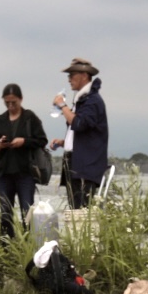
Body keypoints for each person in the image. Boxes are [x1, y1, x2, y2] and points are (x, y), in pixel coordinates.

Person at [0, 83, 47, 237]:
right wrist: (0, 144)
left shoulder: (30, 118)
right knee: (5, 212)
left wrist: (24, 141)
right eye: (7, 102)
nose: (10, 105)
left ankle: (29, 243)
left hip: (25, 172)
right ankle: (7, 245)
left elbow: (42, 140)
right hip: (4, 172)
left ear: (20, 99)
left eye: (13, 102)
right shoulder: (0, 120)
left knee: (27, 211)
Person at [52, 58, 107, 209]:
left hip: (85, 167)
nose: (69, 79)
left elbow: (79, 123)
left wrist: (62, 105)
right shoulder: (83, 100)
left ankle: (85, 233)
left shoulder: (93, 101)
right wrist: (64, 142)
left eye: (72, 75)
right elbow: (83, 132)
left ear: (84, 75)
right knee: (75, 209)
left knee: (82, 210)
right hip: (76, 162)